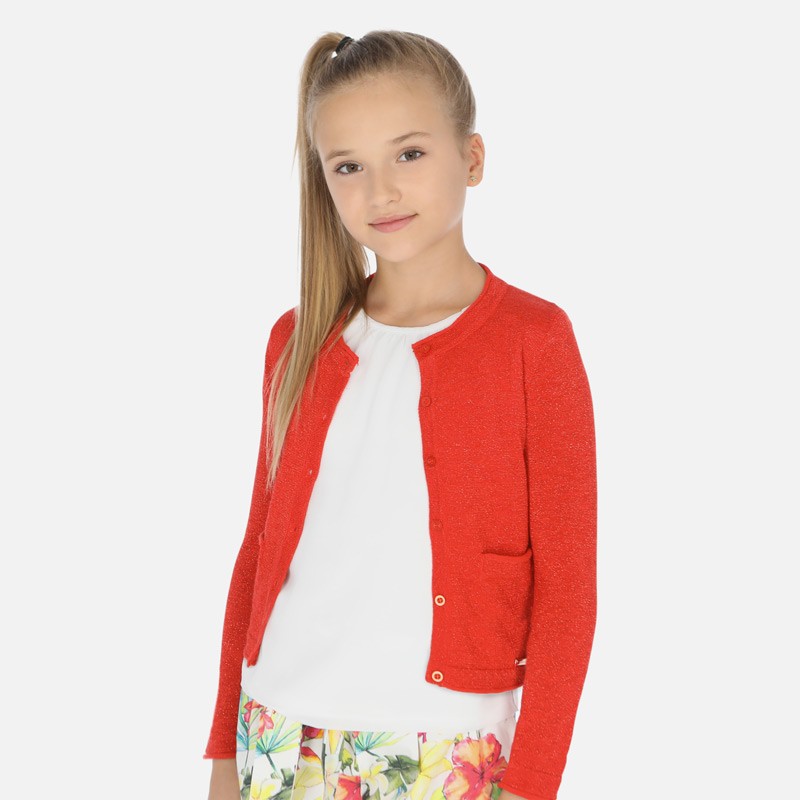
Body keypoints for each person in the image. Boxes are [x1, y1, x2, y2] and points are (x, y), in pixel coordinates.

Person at [205, 29, 597, 800]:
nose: (380, 191)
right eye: (348, 166)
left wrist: (534, 783)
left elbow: (568, 587)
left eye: (409, 154)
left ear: (472, 158)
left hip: (448, 750)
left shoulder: (534, 341)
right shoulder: (298, 340)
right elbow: (257, 551)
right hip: (278, 740)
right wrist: (224, 750)